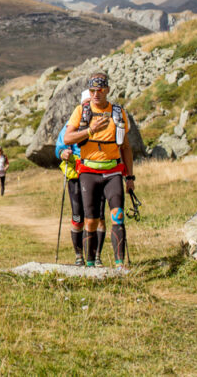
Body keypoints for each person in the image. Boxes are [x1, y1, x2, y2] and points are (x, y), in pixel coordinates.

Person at [63, 72, 136, 269]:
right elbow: (67, 139)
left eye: (100, 90)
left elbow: (126, 147)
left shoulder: (118, 113)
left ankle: (120, 264)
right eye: (93, 90)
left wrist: (130, 176)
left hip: (113, 171)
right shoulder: (81, 111)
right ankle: (89, 264)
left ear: (107, 90)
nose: (96, 94)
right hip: (88, 171)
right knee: (91, 220)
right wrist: (90, 131)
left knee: (118, 215)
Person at [56, 90, 106, 266]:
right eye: (85, 103)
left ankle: (96, 256)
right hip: (76, 173)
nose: (88, 107)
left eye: (90, 103)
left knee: (99, 216)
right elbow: (59, 147)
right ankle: (79, 256)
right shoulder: (71, 124)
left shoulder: (103, 122)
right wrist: (63, 153)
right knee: (78, 216)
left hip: (97, 171)